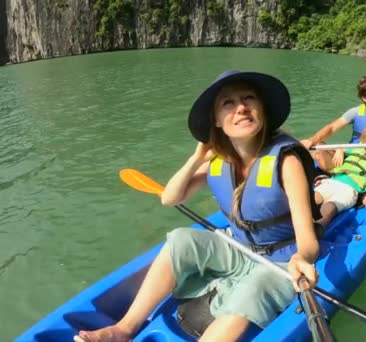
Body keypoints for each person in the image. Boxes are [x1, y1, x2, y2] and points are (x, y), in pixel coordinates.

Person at [74, 70, 321, 342]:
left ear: (262, 109)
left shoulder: (286, 162)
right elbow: (170, 198)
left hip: (279, 261)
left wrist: (302, 258)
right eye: (228, 103)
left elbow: (308, 241)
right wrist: (196, 157)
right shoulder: (219, 163)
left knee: (253, 290)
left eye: (249, 98)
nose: (241, 108)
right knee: (180, 239)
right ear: (216, 120)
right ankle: (124, 329)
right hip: (239, 248)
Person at [315, 124, 366, 227]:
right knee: (315, 197)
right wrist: (339, 150)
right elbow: (341, 147)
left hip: (350, 190)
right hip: (333, 181)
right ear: (362, 144)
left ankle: (320, 225)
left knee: (331, 205)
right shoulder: (355, 149)